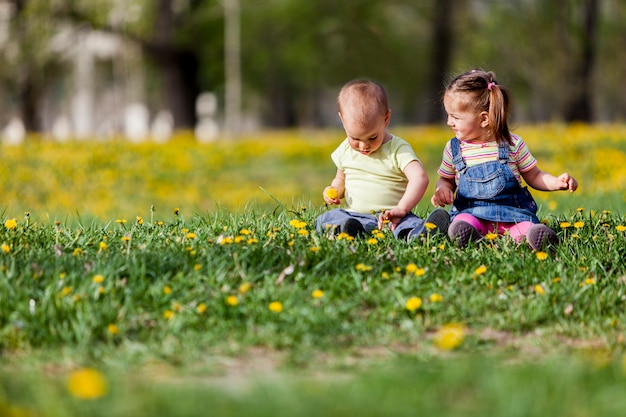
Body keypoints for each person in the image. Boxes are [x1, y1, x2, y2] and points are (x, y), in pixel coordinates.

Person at [430, 69, 578, 250]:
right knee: (461, 222)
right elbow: (446, 179)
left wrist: (556, 182)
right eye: (448, 115)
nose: (448, 122)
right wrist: (443, 188)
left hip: (512, 215)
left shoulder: (512, 144)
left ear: (484, 119)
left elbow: (534, 175)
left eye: (455, 117)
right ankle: (471, 236)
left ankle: (532, 236)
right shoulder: (454, 149)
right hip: (472, 213)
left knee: (524, 228)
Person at [316, 79, 450, 240]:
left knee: (408, 223)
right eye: (355, 138)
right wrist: (335, 190)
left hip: (392, 218)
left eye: (372, 137)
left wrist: (402, 209)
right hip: (354, 215)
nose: (363, 145)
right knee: (327, 218)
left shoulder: (397, 149)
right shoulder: (345, 149)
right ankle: (351, 230)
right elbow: (340, 179)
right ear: (342, 121)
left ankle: (417, 235)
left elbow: (419, 178)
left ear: (386, 119)